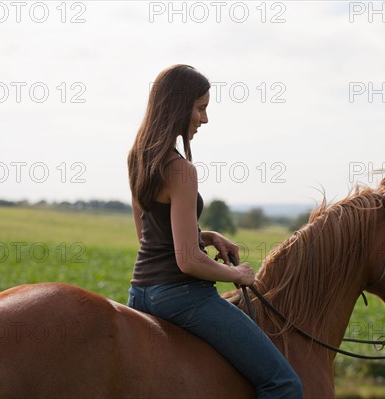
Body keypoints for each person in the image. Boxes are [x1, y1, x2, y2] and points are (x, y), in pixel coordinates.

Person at [126, 64, 303, 398]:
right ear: (179, 108)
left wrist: (205, 236)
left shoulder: (138, 158)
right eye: (200, 108)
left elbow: (149, 237)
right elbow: (188, 261)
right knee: (285, 384)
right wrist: (237, 274)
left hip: (140, 294)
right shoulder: (181, 170)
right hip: (182, 297)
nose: (204, 119)